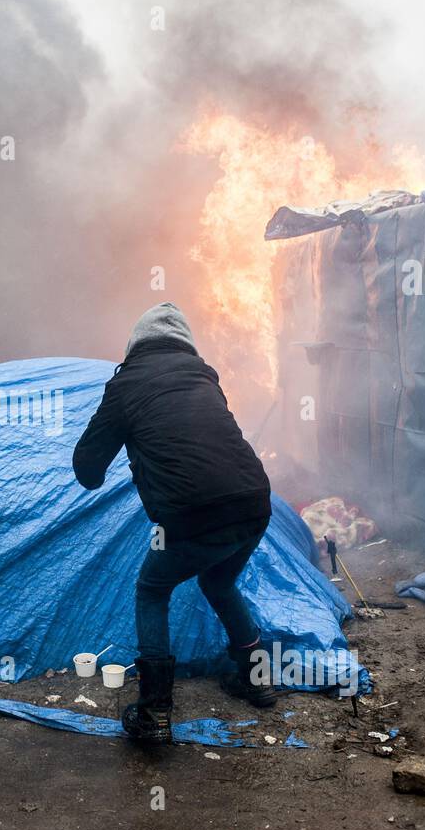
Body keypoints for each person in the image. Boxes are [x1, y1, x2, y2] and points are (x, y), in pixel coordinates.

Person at [72, 302, 277, 744]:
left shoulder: (125, 384)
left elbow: (87, 471)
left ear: (135, 344)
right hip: (255, 503)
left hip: (192, 513)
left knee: (152, 589)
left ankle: (155, 711)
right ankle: (258, 679)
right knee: (220, 584)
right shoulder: (204, 374)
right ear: (185, 342)